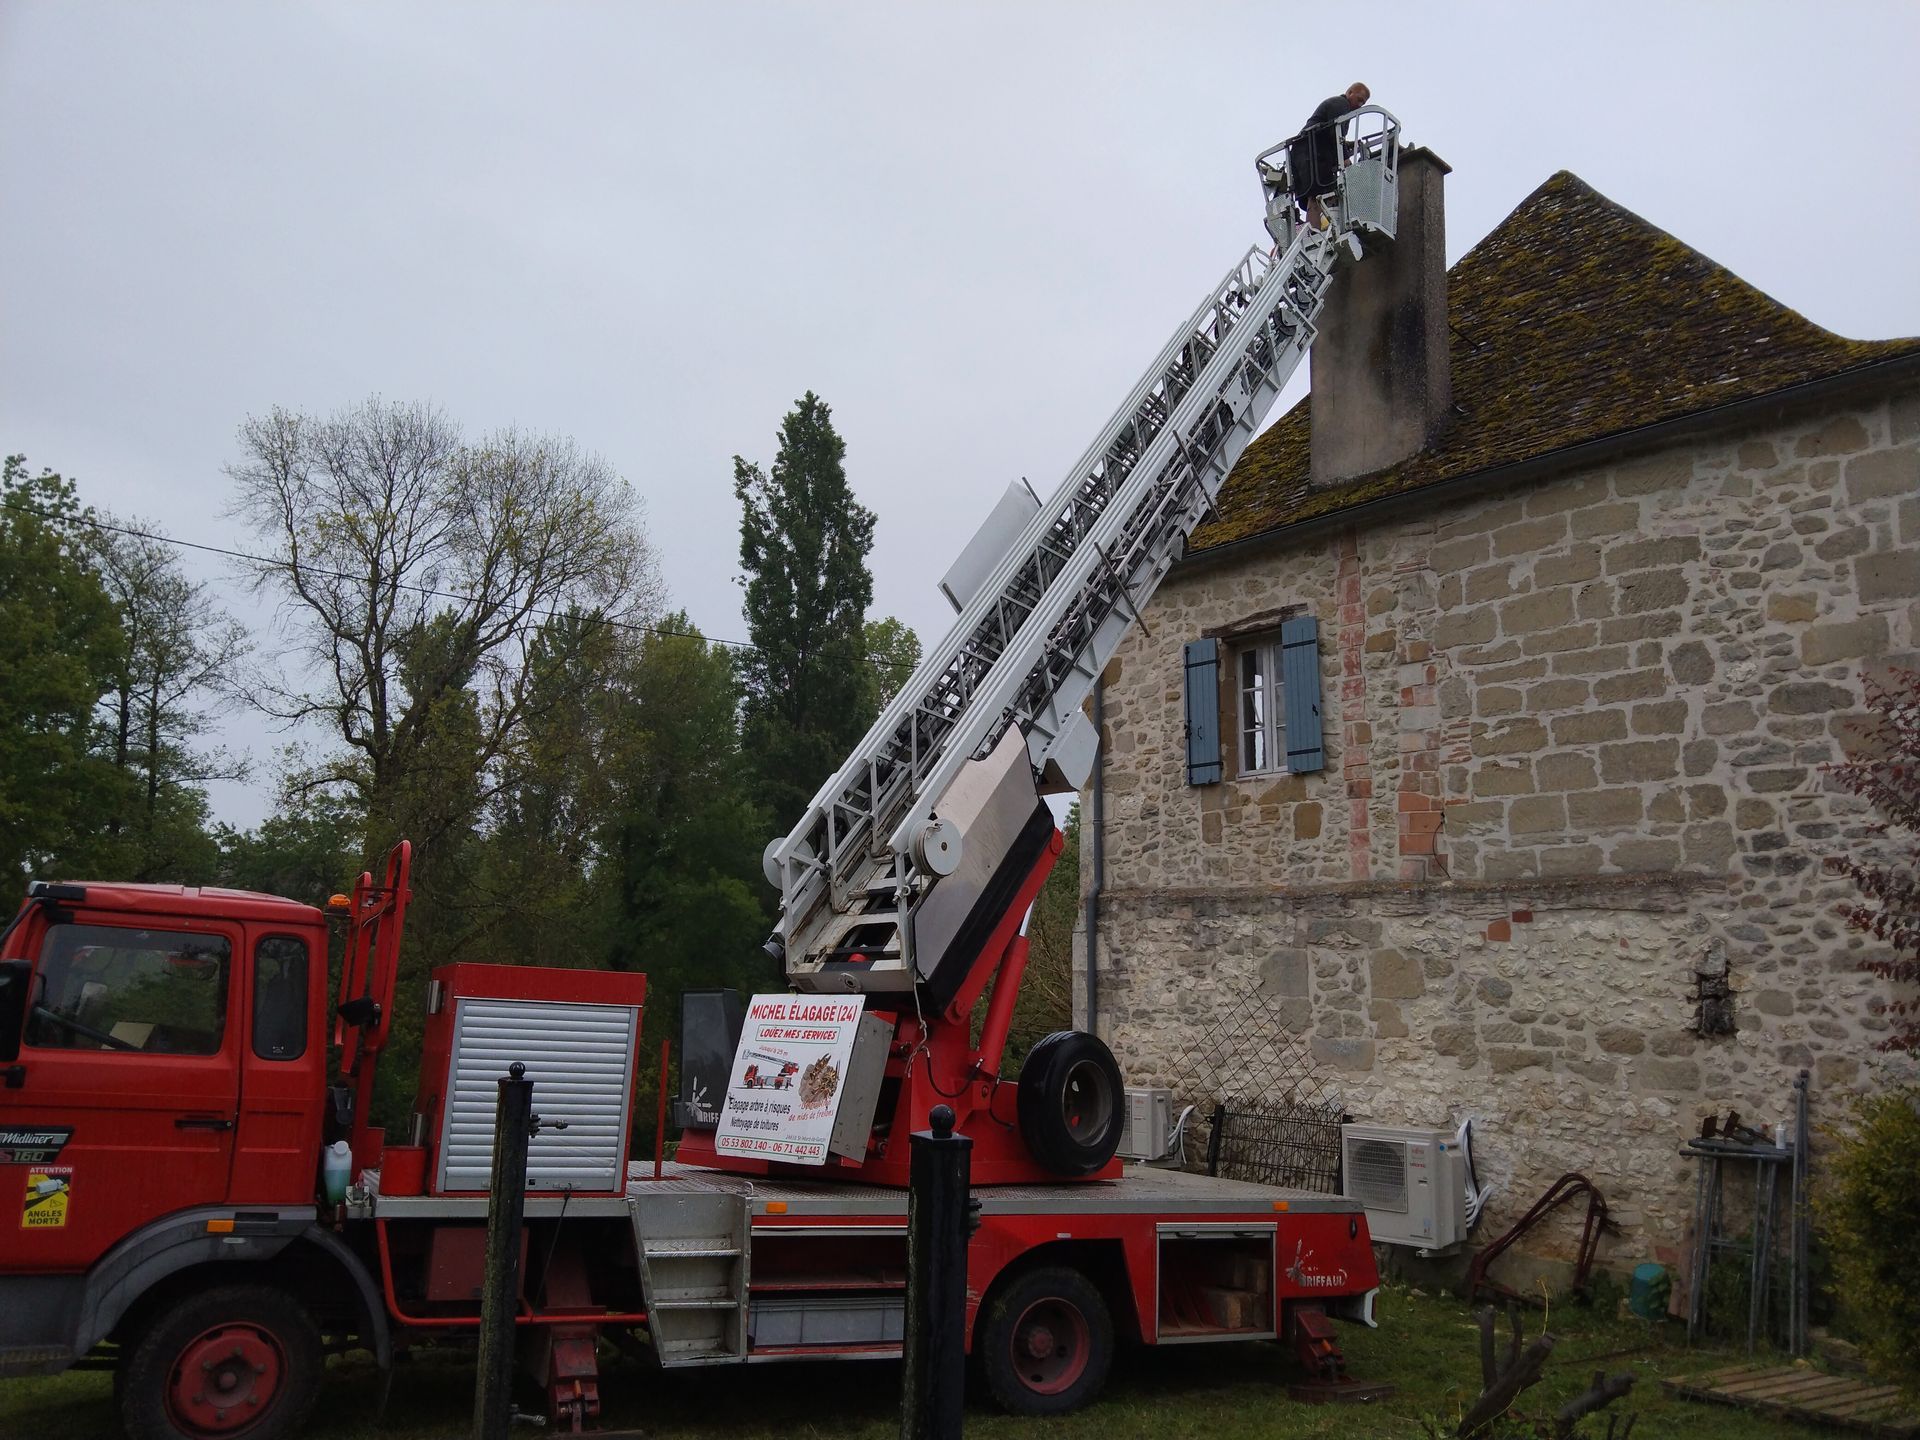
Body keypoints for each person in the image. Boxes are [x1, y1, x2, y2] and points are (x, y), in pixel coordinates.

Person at [1289, 82, 1370, 231]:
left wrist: (1347, 146)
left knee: (1320, 195)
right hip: (1311, 151)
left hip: (1307, 151)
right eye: (1359, 99)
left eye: (1363, 103)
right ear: (1350, 93)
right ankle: (1315, 232)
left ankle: (1317, 229)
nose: (1360, 105)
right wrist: (1345, 157)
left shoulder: (1340, 107)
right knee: (1316, 195)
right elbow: (1335, 132)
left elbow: (1335, 134)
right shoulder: (1340, 104)